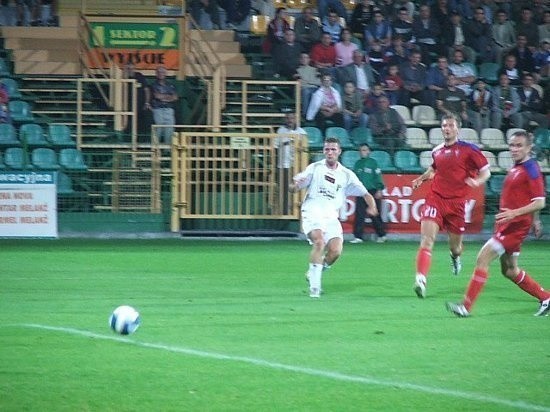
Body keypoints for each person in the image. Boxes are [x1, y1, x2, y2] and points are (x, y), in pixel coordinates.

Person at [446, 130, 549, 317]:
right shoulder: (518, 167)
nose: (514, 149)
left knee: (482, 258)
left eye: (519, 145)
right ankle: (546, 297)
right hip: (509, 223)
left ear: (529, 148)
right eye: (512, 145)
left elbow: (540, 201)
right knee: (509, 270)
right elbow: (529, 199)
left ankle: (465, 307)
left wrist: (515, 214)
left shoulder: (531, 169)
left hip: (514, 226)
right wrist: (536, 219)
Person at [411, 113, 491, 299]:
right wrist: (420, 179)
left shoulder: (469, 150)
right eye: (444, 125)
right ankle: (421, 280)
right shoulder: (437, 151)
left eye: (450, 125)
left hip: (457, 205)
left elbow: (486, 172)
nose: (447, 128)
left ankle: (455, 258)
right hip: (436, 199)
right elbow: (433, 169)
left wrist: (477, 181)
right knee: (427, 240)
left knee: (455, 248)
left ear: (457, 128)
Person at [290, 137, 378, 298]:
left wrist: (372, 206)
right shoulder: (315, 168)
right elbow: (295, 186)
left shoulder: (346, 174)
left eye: (333, 149)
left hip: (331, 216)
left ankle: (313, 272)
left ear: (339, 152)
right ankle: (315, 289)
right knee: (319, 242)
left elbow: (366, 193)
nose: (330, 152)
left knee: (335, 251)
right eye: (327, 149)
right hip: (312, 210)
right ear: (324, 151)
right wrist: (294, 186)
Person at [350, 143, 387, 244]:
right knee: (359, 213)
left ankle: (381, 235)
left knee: (374, 213)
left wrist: (379, 189)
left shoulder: (373, 163)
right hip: (361, 192)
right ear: (359, 152)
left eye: (365, 150)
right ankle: (358, 236)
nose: (363, 152)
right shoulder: (357, 164)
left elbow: (378, 176)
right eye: (361, 150)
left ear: (369, 151)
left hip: (372, 191)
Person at [275, 113, 306, 215]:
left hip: (296, 166)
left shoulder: (301, 132)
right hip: (282, 165)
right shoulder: (280, 131)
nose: (290, 120)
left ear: (296, 119)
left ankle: (296, 212)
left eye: (292, 118)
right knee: (283, 190)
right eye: (287, 118)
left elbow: (305, 149)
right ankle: (284, 213)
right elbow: (275, 146)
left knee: (296, 191)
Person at [150, 65, 178, 144]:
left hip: (169, 109)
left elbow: (175, 97)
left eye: (163, 72)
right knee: (158, 129)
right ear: (156, 73)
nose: (161, 74)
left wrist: (163, 97)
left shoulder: (170, 85)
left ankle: (167, 151)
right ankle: (155, 150)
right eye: (159, 72)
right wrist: (169, 97)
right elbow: (157, 96)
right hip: (158, 109)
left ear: (166, 73)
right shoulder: (153, 85)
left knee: (169, 129)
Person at [123, 62, 151, 137]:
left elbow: (146, 90)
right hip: (127, 107)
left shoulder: (139, 76)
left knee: (141, 127)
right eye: (128, 69)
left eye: (132, 69)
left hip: (140, 106)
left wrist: (147, 103)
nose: (130, 70)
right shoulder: (123, 78)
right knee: (128, 126)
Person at [295, 53, 321, 117]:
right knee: (306, 91)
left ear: (309, 59)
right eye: (302, 58)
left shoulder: (315, 70)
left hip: (315, 88)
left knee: (320, 92)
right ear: (300, 60)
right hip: (303, 89)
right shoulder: (297, 70)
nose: (304, 59)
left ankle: (317, 114)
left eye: (306, 58)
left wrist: (307, 81)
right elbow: (300, 82)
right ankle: (306, 114)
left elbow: (319, 82)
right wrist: (312, 82)